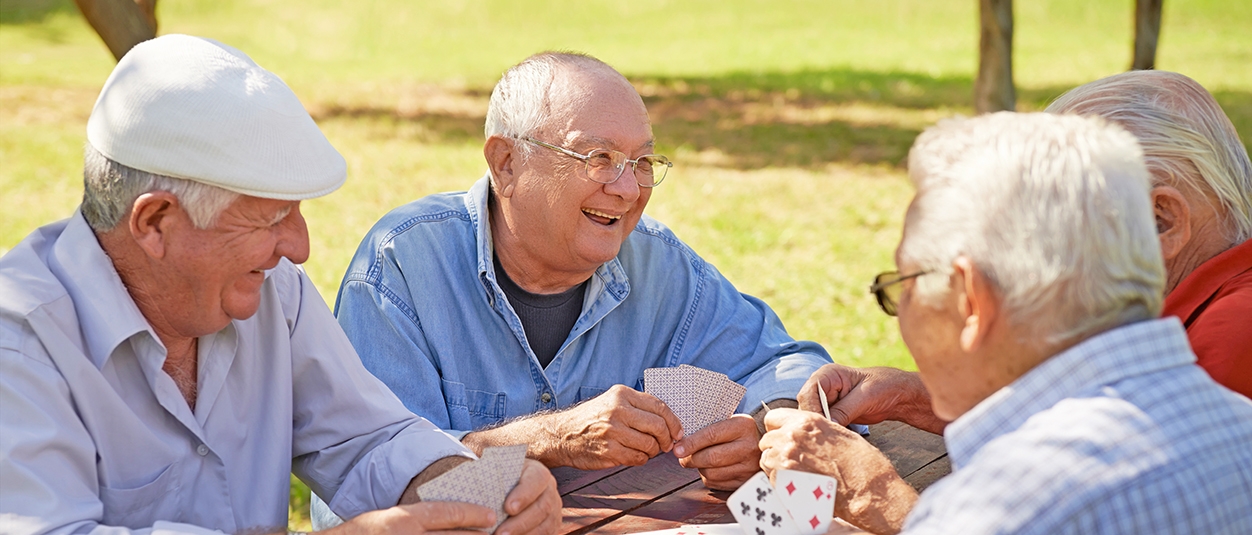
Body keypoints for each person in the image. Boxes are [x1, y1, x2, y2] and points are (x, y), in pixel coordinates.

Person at [0, 35, 559, 535]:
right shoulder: (20, 341)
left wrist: (485, 489)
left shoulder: (272, 290)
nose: (299, 247)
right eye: (268, 219)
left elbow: (368, 441)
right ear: (155, 223)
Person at [322, 51, 831, 502]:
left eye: (642, 161)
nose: (629, 189)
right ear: (507, 163)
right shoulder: (404, 265)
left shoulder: (656, 263)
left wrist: (766, 426)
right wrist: (549, 441)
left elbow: (792, 366)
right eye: (599, 158)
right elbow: (380, 488)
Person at [758, 112, 1252, 534]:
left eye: (903, 285)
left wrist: (874, 495)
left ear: (971, 300)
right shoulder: (1238, 424)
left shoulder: (1001, 505)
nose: (902, 311)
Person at [801, 71, 1252, 437]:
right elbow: (1071, 421)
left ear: (1162, 221)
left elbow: (1092, 494)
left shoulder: (1232, 334)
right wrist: (909, 396)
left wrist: (872, 494)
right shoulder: (1183, 305)